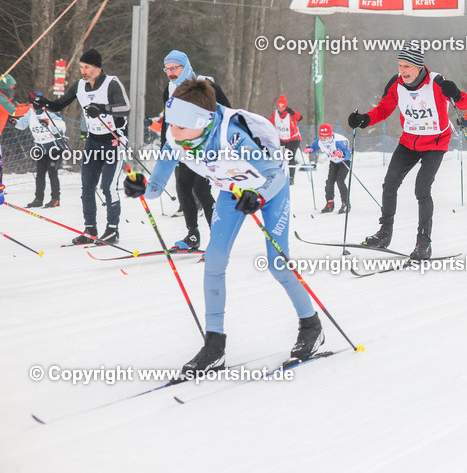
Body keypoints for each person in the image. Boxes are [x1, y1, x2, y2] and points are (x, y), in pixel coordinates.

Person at [123, 78, 322, 372]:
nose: (172, 132)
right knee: (214, 261)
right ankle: (214, 345)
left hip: (269, 190)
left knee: (277, 263)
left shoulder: (233, 134)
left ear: (202, 121)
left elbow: (276, 177)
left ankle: (311, 326)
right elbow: (154, 187)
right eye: (171, 125)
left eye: (180, 126)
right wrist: (138, 185)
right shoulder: (176, 140)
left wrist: (259, 196)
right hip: (232, 191)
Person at [348, 41, 467, 258]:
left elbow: (465, 105)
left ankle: (424, 242)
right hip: (409, 142)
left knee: (422, 189)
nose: (402, 71)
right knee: (389, 183)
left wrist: (457, 94)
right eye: (400, 65)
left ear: (419, 66)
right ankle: (384, 233)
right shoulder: (396, 84)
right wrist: (364, 119)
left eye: (406, 66)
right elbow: (384, 109)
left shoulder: (437, 83)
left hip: (435, 143)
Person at [36, 49, 129, 244]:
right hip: (93, 142)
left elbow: (125, 108)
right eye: (81, 67)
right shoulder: (79, 85)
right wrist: (44, 102)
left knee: (109, 187)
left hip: (113, 141)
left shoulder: (112, 83)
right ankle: (90, 230)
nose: (83, 71)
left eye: (86, 67)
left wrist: (103, 109)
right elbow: (58, 105)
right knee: (87, 186)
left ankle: (113, 230)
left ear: (97, 67)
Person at [152, 50, 231, 251]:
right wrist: (165, 148)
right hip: (186, 148)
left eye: (174, 68)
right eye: (167, 69)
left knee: (201, 188)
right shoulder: (169, 89)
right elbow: (167, 123)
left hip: (208, 146)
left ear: (185, 66)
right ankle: (193, 235)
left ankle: (218, 237)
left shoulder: (206, 85)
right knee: (183, 185)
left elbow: (228, 112)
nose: (170, 73)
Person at [16, 93, 67, 208]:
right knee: (40, 174)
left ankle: (55, 198)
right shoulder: (30, 112)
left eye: (34, 104)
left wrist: (48, 122)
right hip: (40, 147)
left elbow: (62, 125)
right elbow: (22, 124)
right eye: (31, 104)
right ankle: (38, 199)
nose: (33, 107)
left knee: (52, 172)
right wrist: (15, 123)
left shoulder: (50, 110)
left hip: (54, 146)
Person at [0, 74, 32, 206]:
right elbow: (14, 112)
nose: (14, 89)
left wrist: (28, 105)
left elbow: (17, 106)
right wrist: (29, 108)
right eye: (12, 86)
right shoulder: (1, 97)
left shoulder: (5, 97)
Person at [305, 123, 351, 213]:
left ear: (330, 135)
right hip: (334, 162)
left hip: (344, 162)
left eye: (325, 137)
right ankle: (330, 203)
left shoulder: (338, 141)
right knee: (329, 182)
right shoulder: (319, 141)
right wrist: (310, 150)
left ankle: (346, 203)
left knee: (340, 181)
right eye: (321, 137)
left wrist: (341, 153)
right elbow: (314, 147)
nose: (323, 139)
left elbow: (348, 153)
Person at [271, 96, 303, 185]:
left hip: (293, 139)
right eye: (279, 106)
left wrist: (292, 111)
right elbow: (270, 122)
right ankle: (281, 176)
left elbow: (300, 117)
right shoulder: (275, 114)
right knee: (281, 158)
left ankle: (291, 177)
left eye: (282, 106)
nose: (280, 108)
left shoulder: (290, 113)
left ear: (285, 106)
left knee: (290, 157)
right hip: (282, 139)